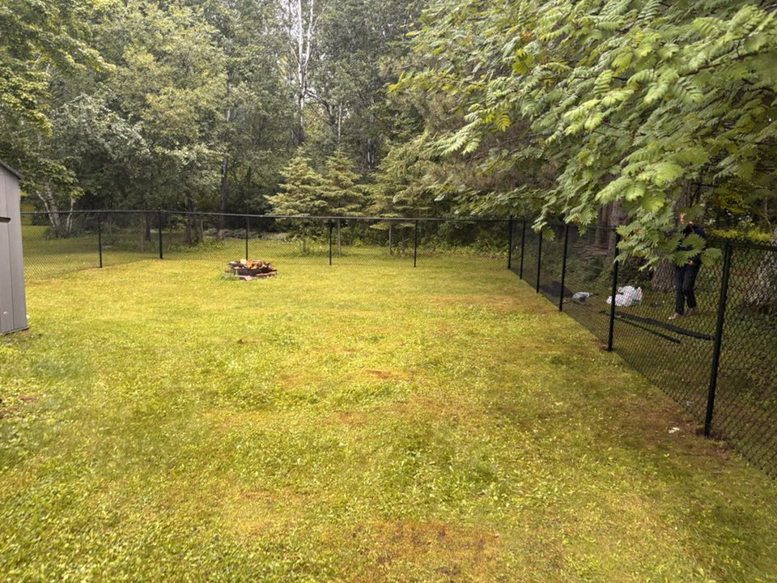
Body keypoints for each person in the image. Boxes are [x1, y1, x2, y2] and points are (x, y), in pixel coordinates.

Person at [670, 213, 707, 320]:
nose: (683, 220)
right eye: (682, 218)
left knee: (686, 287)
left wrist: (694, 260)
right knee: (679, 288)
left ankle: (692, 305)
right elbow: (673, 243)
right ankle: (678, 311)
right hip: (679, 263)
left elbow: (702, 247)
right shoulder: (678, 231)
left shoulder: (698, 231)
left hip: (691, 263)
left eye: (686, 218)